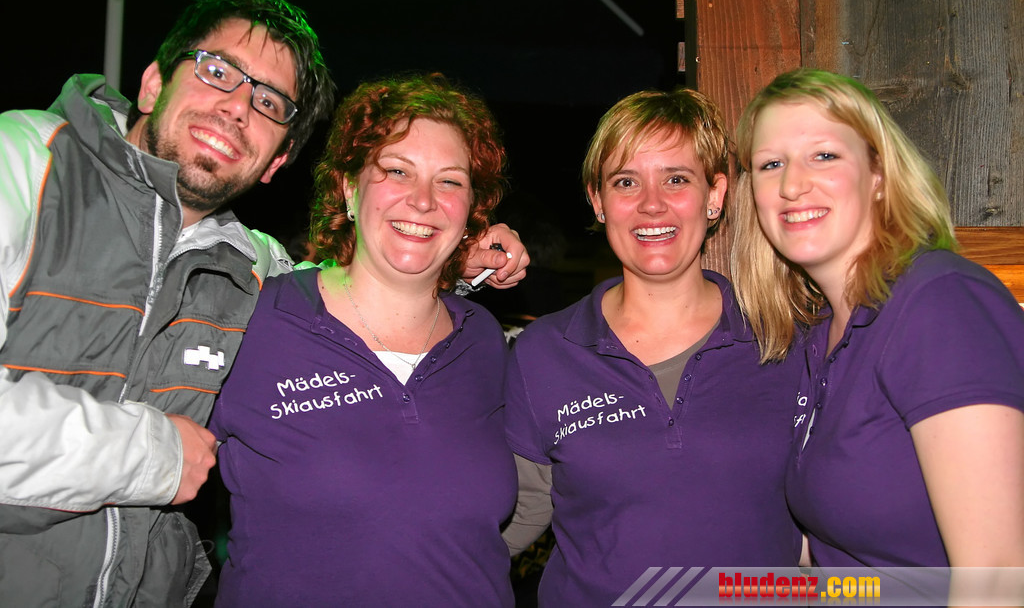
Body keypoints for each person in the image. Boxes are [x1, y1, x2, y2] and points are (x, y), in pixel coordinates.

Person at [0, 0, 526, 606]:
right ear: (153, 83)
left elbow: (362, 303)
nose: (238, 107)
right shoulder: (22, 165)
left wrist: (456, 263)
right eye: (218, 71)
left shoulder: (251, 270)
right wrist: (158, 456)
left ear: (277, 160)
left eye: (270, 103)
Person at [209, 73, 518, 607]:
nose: (423, 200)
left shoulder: (485, 341)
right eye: (397, 171)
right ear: (350, 188)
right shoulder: (255, 318)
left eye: (449, 182)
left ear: (471, 209)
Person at [502, 88, 803, 606]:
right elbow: (517, 511)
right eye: (626, 181)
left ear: (715, 194)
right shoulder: (544, 352)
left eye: (676, 179)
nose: (651, 203)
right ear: (598, 201)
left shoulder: (785, 340)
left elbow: (834, 516)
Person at [731, 68, 1024, 599]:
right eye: (771, 164)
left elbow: (999, 579)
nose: (792, 185)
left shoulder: (939, 300)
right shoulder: (820, 337)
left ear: (879, 175)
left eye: (824, 155)